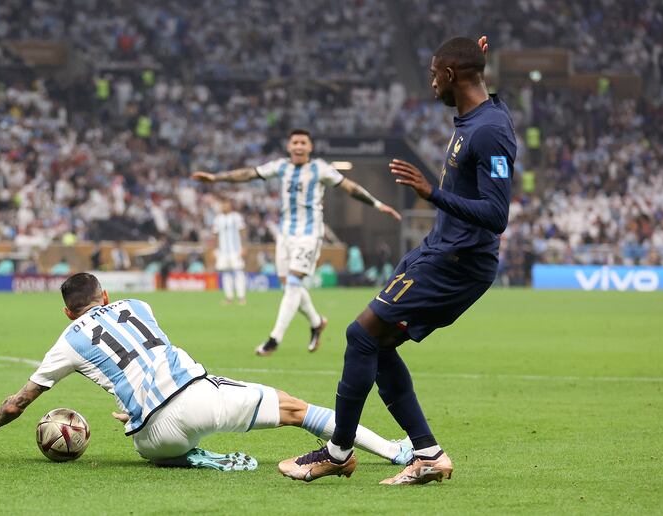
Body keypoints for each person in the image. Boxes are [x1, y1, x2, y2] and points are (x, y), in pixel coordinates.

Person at [280, 35, 516, 486]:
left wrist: (433, 193)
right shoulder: (477, 117)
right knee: (377, 343)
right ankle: (427, 454)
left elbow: (497, 215)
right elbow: (482, 90)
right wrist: (477, 56)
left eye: (434, 74)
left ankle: (337, 451)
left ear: (450, 75)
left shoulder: (489, 131)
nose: (430, 82)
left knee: (360, 334)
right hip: (437, 250)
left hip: (457, 261)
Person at [0, 272, 413, 471]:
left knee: (147, 437)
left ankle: (191, 458)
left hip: (152, 440)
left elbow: (21, 401)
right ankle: (395, 453)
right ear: (106, 295)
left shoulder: (68, 338)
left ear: (66, 312)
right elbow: (148, 356)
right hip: (198, 398)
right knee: (297, 411)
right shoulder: (137, 306)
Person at [192, 129, 401, 356]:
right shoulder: (281, 166)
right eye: (295, 142)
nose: (299, 146)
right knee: (290, 286)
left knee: (293, 283)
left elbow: (350, 187)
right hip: (285, 234)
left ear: (310, 147)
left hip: (309, 233)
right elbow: (249, 174)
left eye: (303, 142)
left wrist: (378, 205)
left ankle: (274, 339)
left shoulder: (320, 168)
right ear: (289, 147)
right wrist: (215, 178)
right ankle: (316, 321)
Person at [212, 198, 247, 305]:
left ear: (230, 206)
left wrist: (244, 247)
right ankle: (229, 297)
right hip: (223, 251)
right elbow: (215, 235)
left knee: (238, 272)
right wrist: (215, 249)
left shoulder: (236, 217)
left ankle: (241, 297)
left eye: (226, 204)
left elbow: (242, 232)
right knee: (225, 274)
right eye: (223, 205)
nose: (224, 207)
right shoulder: (218, 219)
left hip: (235, 250)